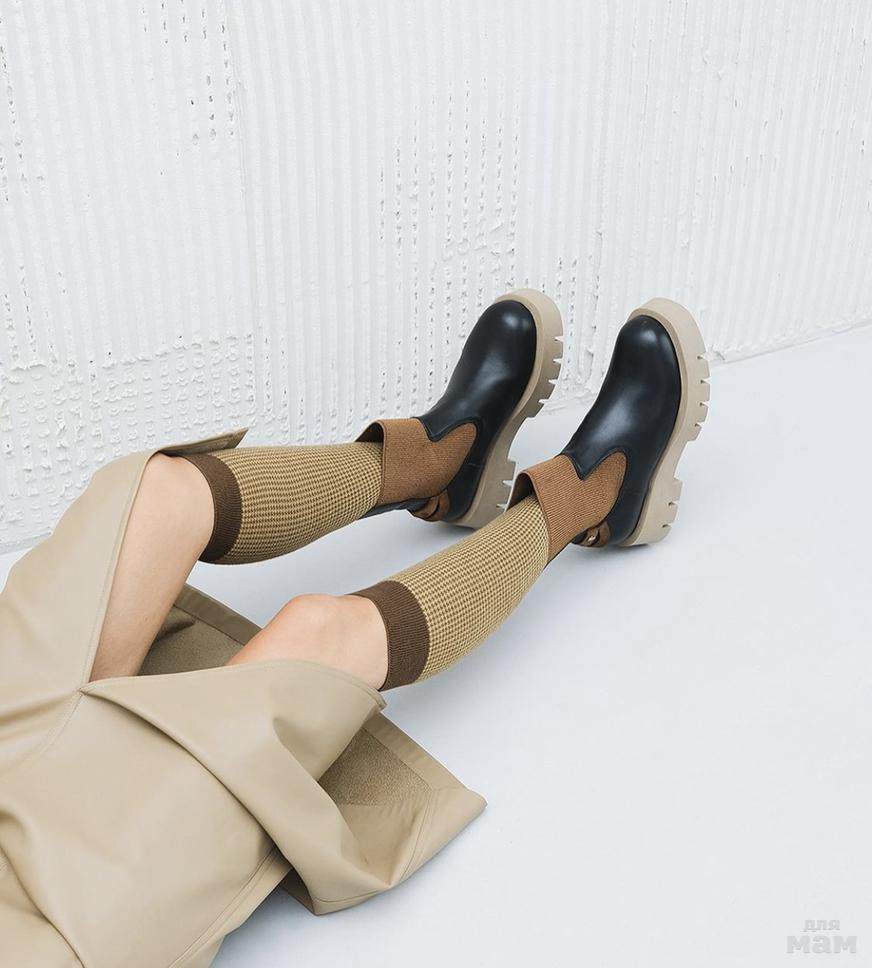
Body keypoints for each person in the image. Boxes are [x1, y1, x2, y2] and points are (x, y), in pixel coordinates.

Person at [0, 290, 708, 968]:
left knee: (160, 495)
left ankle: (436, 459)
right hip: (64, 912)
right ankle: (591, 492)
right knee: (317, 637)